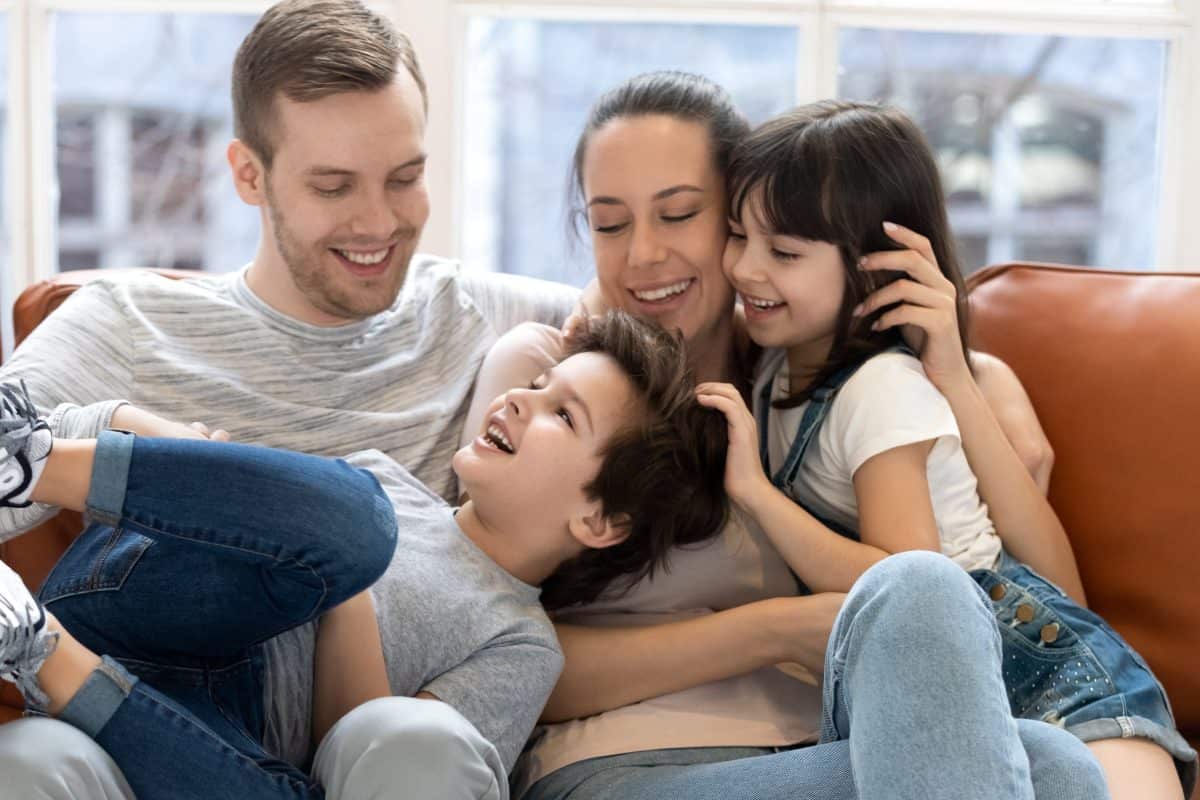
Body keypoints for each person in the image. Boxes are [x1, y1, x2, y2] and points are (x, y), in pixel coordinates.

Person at [463, 72, 1104, 800]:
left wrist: (977, 374)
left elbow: (886, 366)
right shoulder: (545, 380)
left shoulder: (787, 374)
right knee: (924, 593)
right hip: (627, 760)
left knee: (1058, 765)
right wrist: (778, 629)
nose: (642, 254)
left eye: (678, 215)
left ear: (742, 221)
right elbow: (481, 646)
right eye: (610, 224)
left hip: (823, 745)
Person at [0, 1, 580, 798]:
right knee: (28, 763)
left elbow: (659, 336)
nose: (380, 221)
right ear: (249, 173)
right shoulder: (127, 323)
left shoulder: (480, 313)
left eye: (405, 177)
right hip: (137, 655)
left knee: (414, 737)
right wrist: (121, 426)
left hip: (259, 751)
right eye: (334, 186)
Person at [0, 311, 731, 799]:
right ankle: (33, 463)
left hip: (182, 724)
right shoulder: (380, 484)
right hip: (158, 593)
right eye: (537, 384)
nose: (517, 400)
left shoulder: (520, 644)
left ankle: (36, 649)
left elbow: (366, 749)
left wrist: (343, 588)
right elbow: (236, 515)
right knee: (357, 515)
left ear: (600, 520)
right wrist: (333, 554)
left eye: (561, 414)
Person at [705, 99, 1196, 799]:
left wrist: (753, 493)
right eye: (735, 236)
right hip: (940, 682)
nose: (745, 269)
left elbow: (904, 580)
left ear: (880, 266)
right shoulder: (778, 359)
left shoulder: (881, 389)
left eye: (783, 252)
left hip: (1049, 675)